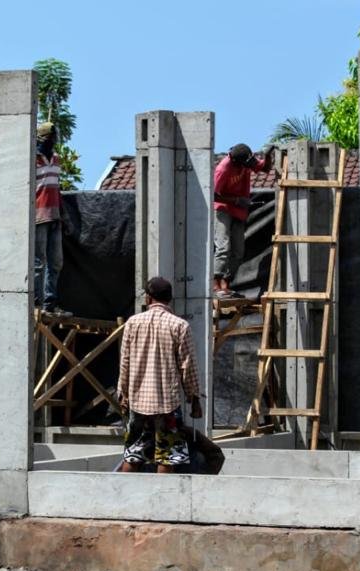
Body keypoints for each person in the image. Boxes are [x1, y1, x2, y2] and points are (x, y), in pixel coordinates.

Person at [117, 276, 203, 474]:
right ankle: (164, 495)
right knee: (168, 457)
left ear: (148, 298)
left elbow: (125, 363)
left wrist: (123, 394)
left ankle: (122, 493)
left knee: (133, 456)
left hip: (138, 403)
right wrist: (194, 399)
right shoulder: (179, 326)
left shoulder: (132, 323)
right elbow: (188, 367)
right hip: (167, 405)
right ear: (169, 299)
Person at [212, 142, 275, 299]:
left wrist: (267, 155)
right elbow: (213, 194)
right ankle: (215, 285)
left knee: (238, 251)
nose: (248, 167)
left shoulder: (246, 160)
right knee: (223, 247)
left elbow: (265, 169)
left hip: (239, 211)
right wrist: (236, 200)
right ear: (236, 162)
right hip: (222, 209)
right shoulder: (223, 169)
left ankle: (226, 283)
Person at [35, 121, 71, 317]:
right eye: (52, 137)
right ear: (44, 138)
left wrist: (63, 216)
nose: (54, 140)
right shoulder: (32, 159)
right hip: (38, 217)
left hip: (54, 217)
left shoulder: (56, 159)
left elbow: (56, 189)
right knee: (38, 263)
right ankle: (36, 303)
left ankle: (50, 303)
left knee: (56, 262)